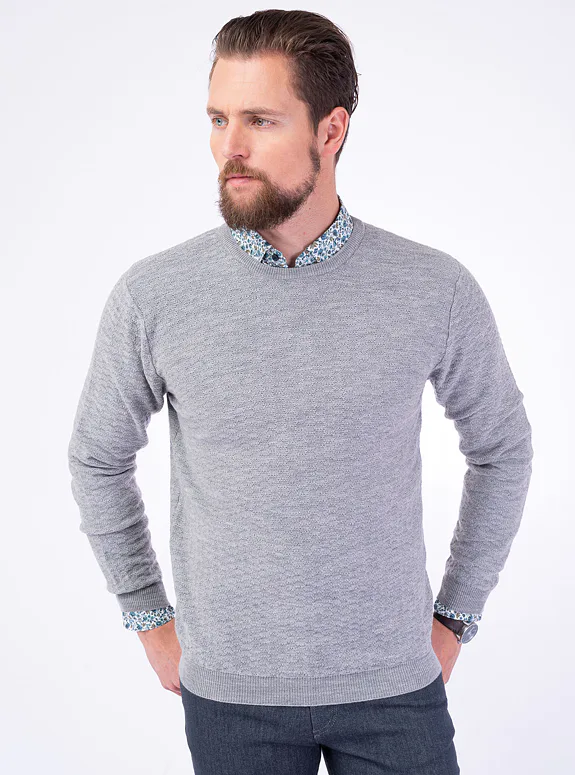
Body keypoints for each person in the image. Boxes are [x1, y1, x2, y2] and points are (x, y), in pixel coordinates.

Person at [67, 9, 533, 774]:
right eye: (217, 119)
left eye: (259, 120)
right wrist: (148, 616)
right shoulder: (154, 295)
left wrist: (455, 615)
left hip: (395, 687)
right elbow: (96, 457)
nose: (230, 146)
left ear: (330, 130)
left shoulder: (432, 288)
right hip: (229, 696)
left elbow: (501, 448)